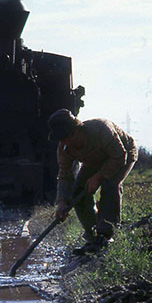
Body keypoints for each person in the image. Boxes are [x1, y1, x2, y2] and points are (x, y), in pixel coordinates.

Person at [48, 109, 138, 254]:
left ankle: (107, 234)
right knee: (78, 191)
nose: (64, 142)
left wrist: (98, 177)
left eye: (66, 137)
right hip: (94, 161)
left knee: (110, 185)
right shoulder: (63, 147)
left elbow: (120, 156)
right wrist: (62, 202)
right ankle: (92, 236)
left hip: (121, 154)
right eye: (61, 139)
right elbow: (65, 175)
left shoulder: (101, 129)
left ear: (76, 131)